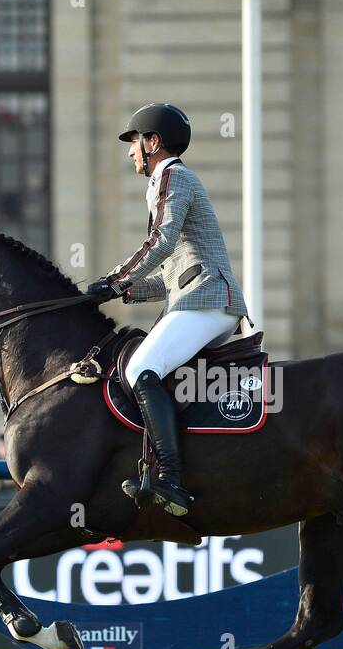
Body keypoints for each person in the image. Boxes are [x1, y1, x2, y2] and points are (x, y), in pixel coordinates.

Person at [85, 103, 250, 517]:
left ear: (153, 143)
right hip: (204, 297)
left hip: (209, 300)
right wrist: (128, 292)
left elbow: (159, 243)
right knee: (154, 372)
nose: (130, 153)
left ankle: (171, 478)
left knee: (141, 369)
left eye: (134, 143)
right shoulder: (171, 180)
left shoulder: (172, 176)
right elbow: (172, 276)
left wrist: (114, 279)